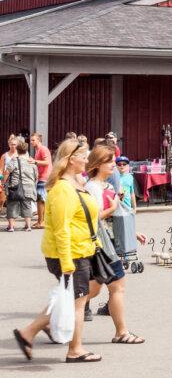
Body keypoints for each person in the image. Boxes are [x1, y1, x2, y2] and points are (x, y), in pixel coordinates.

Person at [13, 139, 100, 362]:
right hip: (71, 253)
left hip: (80, 249)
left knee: (74, 298)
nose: (86, 159)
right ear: (71, 160)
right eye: (83, 155)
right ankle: (75, 349)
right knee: (78, 302)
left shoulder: (74, 183)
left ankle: (29, 332)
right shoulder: (63, 188)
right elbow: (61, 229)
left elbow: (82, 219)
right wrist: (67, 260)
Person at [83, 145, 143, 345]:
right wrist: (113, 208)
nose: (114, 165)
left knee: (90, 291)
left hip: (107, 241)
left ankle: (46, 322)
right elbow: (93, 218)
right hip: (101, 244)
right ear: (98, 164)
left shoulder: (105, 186)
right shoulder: (92, 187)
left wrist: (132, 232)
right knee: (116, 285)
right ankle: (121, 332)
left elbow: (114, 217)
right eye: (110, 161)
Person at [6, 139, 37, 232]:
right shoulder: (32, 162)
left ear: (18, 150)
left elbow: (7, 171)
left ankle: (11, 227)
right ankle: (28, 226)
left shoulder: (14, 160)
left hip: (15, 186)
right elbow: (36, 175)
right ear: (26, 150)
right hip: (29, 187)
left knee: (12, 205)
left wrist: (4, 182)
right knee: (27, 205)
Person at [30, 132, 50, 228]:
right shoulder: (38, 150)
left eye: (33, 140)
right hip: (42, 177)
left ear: (39, 140)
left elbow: (47, 162)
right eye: (31, 140)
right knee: (41, 200)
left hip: (45, 177)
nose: (31, 142)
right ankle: (41, 221)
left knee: (41, 200)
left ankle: (41, 222)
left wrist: (34, 161)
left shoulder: (43, 149)